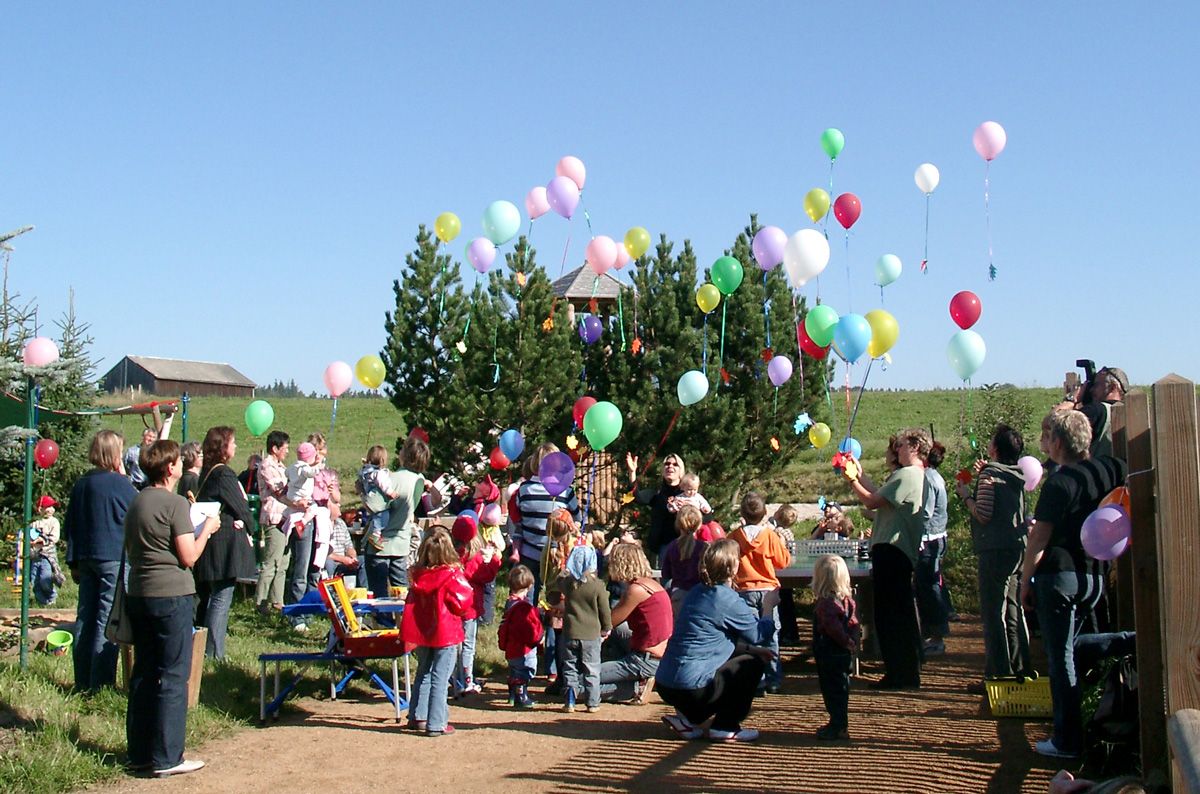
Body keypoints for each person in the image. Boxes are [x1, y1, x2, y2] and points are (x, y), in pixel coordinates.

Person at [1022, 409, 1126, 759]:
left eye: (1049, 436)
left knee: (1060, 656)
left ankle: (1067, 740)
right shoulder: (1112, 469)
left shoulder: (1059, 484)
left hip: (1060, 576)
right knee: (1076, 645)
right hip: (1095, 575)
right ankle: (1130, 641)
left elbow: (1039, 541)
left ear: (1058, 442)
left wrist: (1025, 581)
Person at [123, 440, 220, 778]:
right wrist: (206, 529)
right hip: (172, 595)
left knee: (144, 673)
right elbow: (188, 556)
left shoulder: (137, 501)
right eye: (178, 461)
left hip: (139, 594)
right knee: (174, 675)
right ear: (170, 468)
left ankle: (139, 754)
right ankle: (168, 756)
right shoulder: (175, 504)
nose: (182, 465)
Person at [655, 539, 774, 742]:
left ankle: (689, 720)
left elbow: (712, 639)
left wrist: (750, 649)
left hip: (665, 684)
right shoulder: (726, 599)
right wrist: (769, 607)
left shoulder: (695, 593)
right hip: (692, 687)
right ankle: (725, 726)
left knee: (747, 657)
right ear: (734, 566)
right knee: (752, 666)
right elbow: (759, 635)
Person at [842, 427, 929, 690]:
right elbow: (880, 494)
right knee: (898, 613)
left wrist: (851, 480)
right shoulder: (908, 475)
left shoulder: (907, 475)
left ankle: (899, 673)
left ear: (914, 447)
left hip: (893, 551)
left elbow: (871, 501)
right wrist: (859, 473)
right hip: (896, 552)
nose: (896, 450)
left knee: (891, 615)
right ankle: (904, 670)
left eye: (901, 445)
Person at [957, 424, 1033, 681]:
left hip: (995, 549)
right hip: (1017, 547)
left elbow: (984, 513)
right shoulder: (1015, 474)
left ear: (996, 448)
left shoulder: (990, 475)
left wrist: (967, 496)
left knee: (992, 613)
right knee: (1014, 610)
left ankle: (998, 673)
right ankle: (1021, 666)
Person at [64, 430, 138, 692]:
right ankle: (101, 683)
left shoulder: (82, 483)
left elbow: (69, 524)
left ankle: (82, 680)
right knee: (107, 620)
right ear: (114, 453)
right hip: (111, 558)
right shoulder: (119, 485)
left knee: (85, 616)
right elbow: (137, 511)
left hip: (85, 558)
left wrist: (72, 560)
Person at [400, 528, 472, 736]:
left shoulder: (417, 575)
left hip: (422, 631)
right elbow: (463, 602)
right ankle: (436, 722)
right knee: (441, 677)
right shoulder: (451, 575)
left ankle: (418, 715)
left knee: (423, 672)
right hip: (446, 632)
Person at [192, 426, 256, 658]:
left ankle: (206, 650)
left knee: (212, 598)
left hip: (210, 543)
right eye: (232, 442)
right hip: (222, 547)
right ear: (222, 447)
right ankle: (214, 653)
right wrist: (251, 526)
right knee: (221, 598)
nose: (236, 446)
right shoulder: (223, 474)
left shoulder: (208, 471)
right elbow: (240, 505)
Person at [729, 492, 791, 693]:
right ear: (764, 513)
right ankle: (773, 678)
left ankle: (755, 679)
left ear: (742, 513)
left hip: (744, 590)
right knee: (770, 635)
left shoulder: (734, 537)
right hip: (767, 591)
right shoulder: (769, 536)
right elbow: (783, 562)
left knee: (749, 637)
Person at [600, 543, 672, 703]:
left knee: (579, 681)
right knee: (620, 631)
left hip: (645, 658)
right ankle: (635, 684)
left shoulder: (635, 590)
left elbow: (608, 622)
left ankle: (633, 689)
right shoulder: (653, 585)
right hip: (660, 654)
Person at [515, 442, 582, 603]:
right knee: (556, 599)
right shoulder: (566, 491)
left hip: (529, 552)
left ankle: (528, 626)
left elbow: (518, 517)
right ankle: (551, 627)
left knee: (527, 597)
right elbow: (577, 520)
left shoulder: (524, 489)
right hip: (557, 553)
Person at [548, 544, 612, 712]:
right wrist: (607, 627)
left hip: (570, 632)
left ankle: (570, 700)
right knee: (592, 669)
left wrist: (565, 570)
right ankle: (592, 703)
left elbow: (558, 580)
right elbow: (604, 610)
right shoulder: (597, 585)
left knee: (570, 667)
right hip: (591, 634)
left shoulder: (568, 584)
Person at [366, 436, 429, 598]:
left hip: (380, 545)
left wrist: (362, 488)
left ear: (406, 455)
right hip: (402, 543)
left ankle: (382, 622)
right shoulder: (419, 480)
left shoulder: (393, 479)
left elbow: (372, 505)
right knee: (401, 592)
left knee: (379, 594)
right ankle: (404, 621)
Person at [450, 514, 500, 697]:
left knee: (454, 645)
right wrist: (495, 560)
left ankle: (454, 678)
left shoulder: (451, 556)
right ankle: (467, 680)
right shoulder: (472, 558)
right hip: (469, 609)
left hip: (453, 608)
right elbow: (485, 575)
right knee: (468, 645)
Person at [811, 554, 861, 741]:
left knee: (832, 690)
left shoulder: (826, 605)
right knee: (841, 688)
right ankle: (839, 723)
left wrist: (844, 641)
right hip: (843, 653)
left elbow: (833, 628)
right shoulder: (848, 601)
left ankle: (838, 725)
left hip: (829, 651)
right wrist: (853, 642)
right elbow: (854, 623)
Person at [255, 431, 297, 614]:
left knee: (283, 563)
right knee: (271, 562)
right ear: (275, 448)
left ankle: (277, 601)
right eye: (285, 448)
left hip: (286, 518)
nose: (287, 451)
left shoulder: (281, 466)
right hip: (275, 518)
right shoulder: (267, 466)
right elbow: (280, 490)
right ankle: (260, 603)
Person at [916, 441, 951, 656]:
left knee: (929, 589)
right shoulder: (935, 476)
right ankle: (932, 634)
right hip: (936, 537)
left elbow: (926, 513)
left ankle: (937, 637)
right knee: (928, 587)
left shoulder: (928, 478)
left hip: (929, 539)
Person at [625, 451, 688, 565]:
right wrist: (632, 473)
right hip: (662, 548)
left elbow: (706, 515)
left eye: (675, 464)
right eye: (667, 464)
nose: (670, 466)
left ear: (681, 471)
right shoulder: (657, 493)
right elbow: (637, 497)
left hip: (684, 546)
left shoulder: (688, 494)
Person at [498, 564, 543, 708]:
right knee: (525, 672)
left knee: (515, 670)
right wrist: (539, 637)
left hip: (511, 646)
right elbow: (530, 629)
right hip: (523, 649)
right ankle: (521, 696)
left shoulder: (510, 603)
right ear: (529, 586)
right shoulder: (524, 608)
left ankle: (512, 694)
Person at [660, 505, 707, 614]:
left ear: (678, 524)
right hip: (699, 594)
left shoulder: (672, 546)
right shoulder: (703, 547)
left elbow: (666, 574)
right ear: (699, 524)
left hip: (679, 594)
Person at [355, 445, 397, 553]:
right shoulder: (378, 473)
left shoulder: (365, 471)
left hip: (367, 498)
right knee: (383, 515)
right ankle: (376, 534)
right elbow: (383, 484)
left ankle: (371, 533)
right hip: (376, 500)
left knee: (376, 516)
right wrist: (390, 492)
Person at [770, 504, 801, 645]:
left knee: (784, 605)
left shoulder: (779, 531)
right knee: (787, 604)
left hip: (781, 571)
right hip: (785, 569)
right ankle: (790, 634)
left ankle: (787, 634)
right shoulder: (787, 532)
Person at [31, 496, 66, 605]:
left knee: (44, 578)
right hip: (35, 555)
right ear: (40, 509)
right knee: (34, 580)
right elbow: (29, 535)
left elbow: (54, 538)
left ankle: (51, 597)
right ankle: (42, 602)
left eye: (52, 507)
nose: (51, 509)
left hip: (47, 556)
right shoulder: (35, 523)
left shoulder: (54, 522)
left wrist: (41, 540)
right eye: (48, 507)